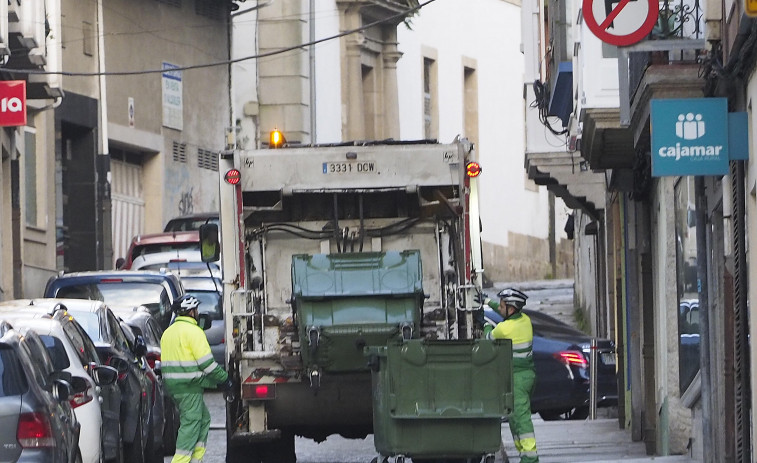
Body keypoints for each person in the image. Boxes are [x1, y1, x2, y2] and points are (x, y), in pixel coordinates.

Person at [161, 295, 232, 463]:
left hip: (174, 387)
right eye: (196, 310)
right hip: (189, 387)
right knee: (191, 424)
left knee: (204, 418)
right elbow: (207, 364)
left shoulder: (168, 332)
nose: (198, 313)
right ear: (191, 312)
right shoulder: (194, 332)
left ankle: (196, 459)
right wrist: (225, 380)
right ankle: (181, 461)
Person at [479, 288, 539, 463]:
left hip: (518, 378)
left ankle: (530, 458)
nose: (501, 307)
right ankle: (524, 455)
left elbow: (488, 336)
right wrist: (487, 302)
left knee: (521, 419)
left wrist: (484, 322)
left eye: (503, 305)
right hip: (525, 375)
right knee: (514, 419)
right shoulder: (524, 320)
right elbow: (501, 309)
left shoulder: (505, 329)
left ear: (511, 309)